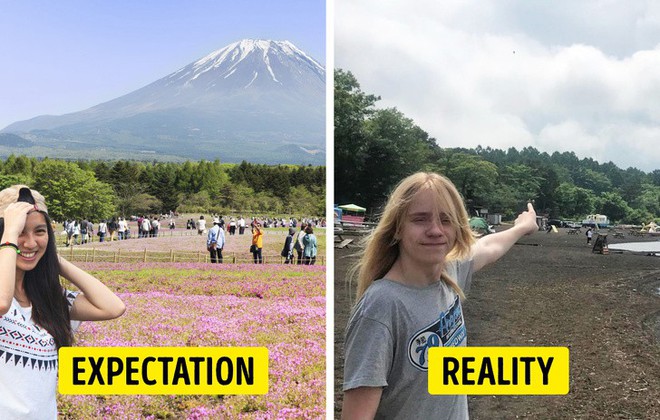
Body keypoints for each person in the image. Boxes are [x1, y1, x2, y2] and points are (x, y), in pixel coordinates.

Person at [341, 172, 538, 420]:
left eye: (446, 220)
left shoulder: (449, 272)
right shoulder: (381, 307)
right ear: (398, 228)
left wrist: (522, 227)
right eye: (420, 219)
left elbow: (488, 247)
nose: (435, 230)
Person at [0, 185, 125, 419]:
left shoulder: (50, 299)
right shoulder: (5, 300)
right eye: (19, 232)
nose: (29, 243)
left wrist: (51, 257)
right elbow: (2, 303)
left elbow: (113, 307)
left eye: (39, 231)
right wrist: (8, 237)